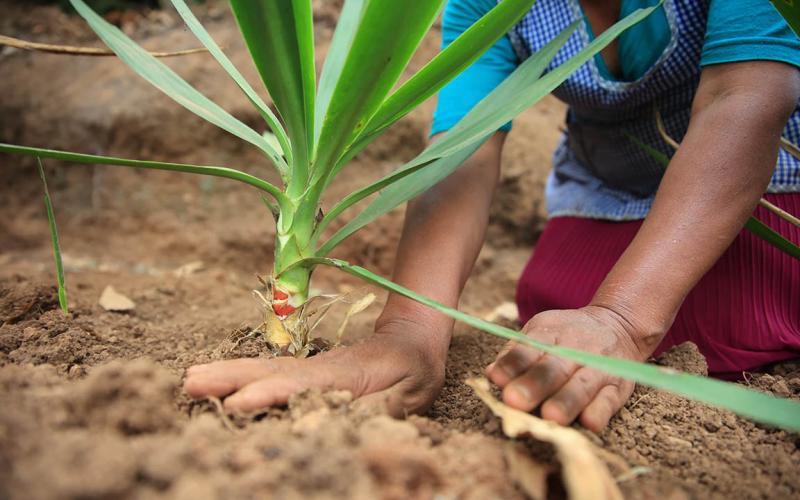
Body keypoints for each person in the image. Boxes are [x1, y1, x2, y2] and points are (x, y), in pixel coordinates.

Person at [184, 0, 800, 431]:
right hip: (607, 183)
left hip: (764, 176)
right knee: (550, 300)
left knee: (728, 315)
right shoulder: (492, 2)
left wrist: (621, 318)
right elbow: (464, 147)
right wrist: (410, 334)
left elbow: (744, 96)